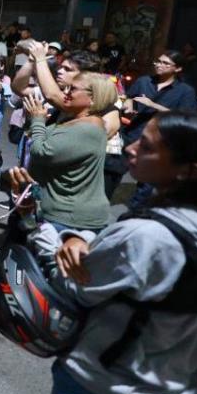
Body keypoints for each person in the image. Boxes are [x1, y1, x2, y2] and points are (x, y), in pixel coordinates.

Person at [47, 111, 197, 394]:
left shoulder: (145, 236)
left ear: (187, 171)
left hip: (102, 384)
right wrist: (82, 238)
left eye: (146, 147)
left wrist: (51, 236)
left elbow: (76, 286)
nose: (130, 148)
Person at [15, 72, 118, 272]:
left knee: (49, 279)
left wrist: (37, 120)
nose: (66, 93)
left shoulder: (89, 129)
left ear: (93, 98)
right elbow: (43, 139)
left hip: (69, 219)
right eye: (67, 88)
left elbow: (42, 151)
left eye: (73, 89)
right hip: (53, 211)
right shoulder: (72, 119)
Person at [121, 50, 197, 209]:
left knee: (146, 186)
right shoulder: (144, 81)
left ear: (177, 69)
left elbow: (184, 116)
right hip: (132, 133)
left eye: (165, 63)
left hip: (158, 140)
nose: (159, 65)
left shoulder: (185, 91)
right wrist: (128, 104)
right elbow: (129, 96)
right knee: (113, 172)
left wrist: (152, 105)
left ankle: (134, 214)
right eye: (158, 61)